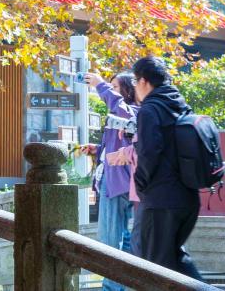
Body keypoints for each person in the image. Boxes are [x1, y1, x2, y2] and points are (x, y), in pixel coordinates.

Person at [131, 56, 204, 280]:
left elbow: (148, 152)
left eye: (135, 81)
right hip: (187, 198)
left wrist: (140, 182)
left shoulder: (150, 109)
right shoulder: (179, 104)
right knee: (175, 261)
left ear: (144, 81)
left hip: (161, 201)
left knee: (156, 269)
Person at [82, 71, 138, 290]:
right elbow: (119, 146)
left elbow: (125, 115)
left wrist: (100, 85)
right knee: (118, 242)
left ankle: (112, 288)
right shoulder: (125, 112)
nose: (111, 91)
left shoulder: (134, 110)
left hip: (121, 185)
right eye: (111, 87)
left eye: (116, 87)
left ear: (128, 90)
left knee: (111, 242)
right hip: (118, 182)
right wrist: (97, 150)